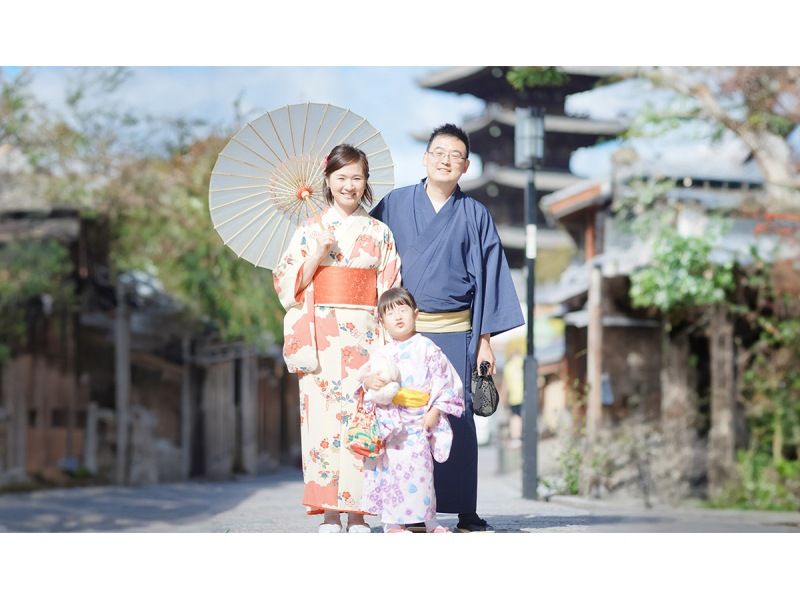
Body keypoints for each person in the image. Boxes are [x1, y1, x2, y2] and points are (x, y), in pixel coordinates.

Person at [370, 124, 524, 532]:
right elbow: (368, 252)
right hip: (404, 333)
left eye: (455, 155)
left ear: (466, 165)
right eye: (438, 152)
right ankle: (411, 509)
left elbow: (490, 277)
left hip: (458, 334)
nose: (445, 160)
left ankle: (464, 508)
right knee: (408, 416)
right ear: (425, 158)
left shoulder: (475, 215)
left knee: (456, 415)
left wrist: (485, 341)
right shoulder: (394, 204)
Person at [273, 144, 401, 533]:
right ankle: (329, 510)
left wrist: (387, 348)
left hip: (365, 336)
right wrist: (317, 255)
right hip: (320, 338)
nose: (349, 185)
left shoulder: (379, 232)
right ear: (327, 181)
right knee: (323, 423)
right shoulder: (309, 231)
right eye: (341, 177)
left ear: (366, 183)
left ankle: (360, 511)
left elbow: (390, 288)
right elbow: (283, 286)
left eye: (357, 177)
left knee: (364, 418)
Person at [357, 287, 464, 533]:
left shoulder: (427, 348)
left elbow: (446, 382)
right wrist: (369, 382)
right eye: (390, 313)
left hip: (419, 421)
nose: (398, 316)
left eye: (403, 309)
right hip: (393, 424)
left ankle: (430, 522)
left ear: (416, 313)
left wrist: (435, 412)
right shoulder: (382, 352)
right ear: (382, 321)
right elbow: (366, 382)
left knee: (422, 474)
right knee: (392, 474)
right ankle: (393, 523)